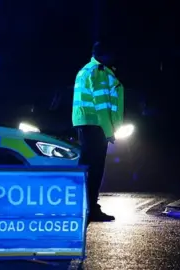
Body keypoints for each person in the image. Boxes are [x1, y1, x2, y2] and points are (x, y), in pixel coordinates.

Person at [72, 41, 124, 222]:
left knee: (86, 167)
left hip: (86, 123)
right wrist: (110, 132)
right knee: (95, 169)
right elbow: (102, 106)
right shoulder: (99, 72)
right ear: (105, 55)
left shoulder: (85, 70)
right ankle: (91, 208)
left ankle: (82, 206)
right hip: (96, 125)